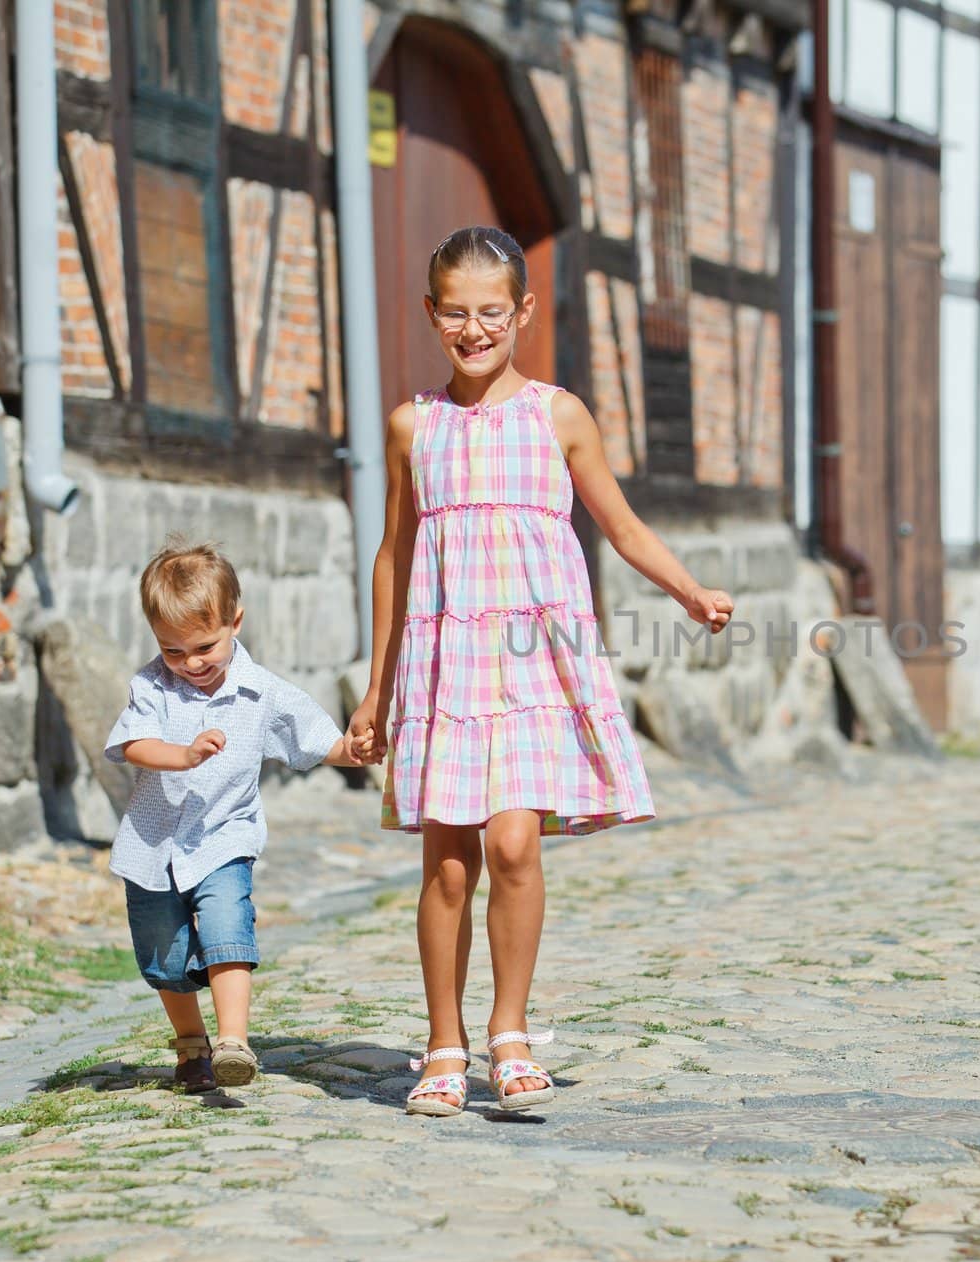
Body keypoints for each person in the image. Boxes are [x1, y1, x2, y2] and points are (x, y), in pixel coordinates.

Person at [346, 225, 733, 1116]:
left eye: (492, 311)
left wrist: (687, 590)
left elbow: (623, 526)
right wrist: (378, 688)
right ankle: (444, 1039)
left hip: (532, 665)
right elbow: (393, 559)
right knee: (448, 867)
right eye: (456, 312)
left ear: (522, 311)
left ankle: (508, 1031)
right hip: (445, 668)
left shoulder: (557, 415)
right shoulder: (415, 426)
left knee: (515, 843)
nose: (474, 329)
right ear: (431, 313)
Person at [106, 542, 369, 1093]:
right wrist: (181, 754)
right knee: (166, 955)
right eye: (173, 651)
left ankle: (233, 1043)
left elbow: (317, 741)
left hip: (225, 837)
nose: (191, 663)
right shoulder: (150, 686)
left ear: (235, 621)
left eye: (204, 646)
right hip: (152, 847)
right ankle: (191, 1045)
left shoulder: (263, 692)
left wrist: (355, 750)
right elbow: (134, 744)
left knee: (228, 929)